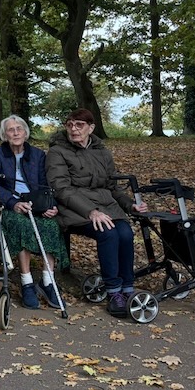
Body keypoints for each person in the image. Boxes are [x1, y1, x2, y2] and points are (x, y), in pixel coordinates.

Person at [45, 108, 146, 318]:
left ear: (91, 128)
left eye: (79, 125)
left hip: (106, 207)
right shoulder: (57, 152)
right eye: (70, 124)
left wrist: (129, 205)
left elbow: (113, 185)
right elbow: (61, 189)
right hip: (75, 209)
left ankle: (128, 289)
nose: (73, 129)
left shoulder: (102, 151)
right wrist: (91, 211)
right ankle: (113, 292)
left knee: (125, 233)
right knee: (108, 234)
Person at [0, 115, 69, 310]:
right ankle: (27, 282)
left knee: (50, 225)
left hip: (35, 205)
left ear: (25, 132)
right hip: (9, 206)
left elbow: (45, 184)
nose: (15, 133)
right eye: (10, 130)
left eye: (19, 129)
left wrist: (49, 205)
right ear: (4, 134)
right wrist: (13, 203)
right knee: (21, 224)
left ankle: (48, 282)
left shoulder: (38, 155)